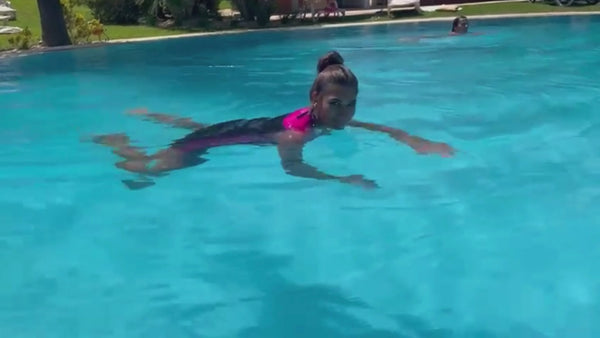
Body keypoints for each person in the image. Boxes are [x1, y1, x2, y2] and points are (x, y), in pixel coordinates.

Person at [90, 51, 454, 190]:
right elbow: (293, 170)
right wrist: (342, 178)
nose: (346, 113)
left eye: (351, 104)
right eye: (336, 104)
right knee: (151, 170)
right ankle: (117, 142)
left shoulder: (326, 119)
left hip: (240, 129)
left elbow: (378, 127)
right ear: (314, 100)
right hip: (215, 141)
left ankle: (156, 117)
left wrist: (415, 141)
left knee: (208, 129)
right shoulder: (295, 134)